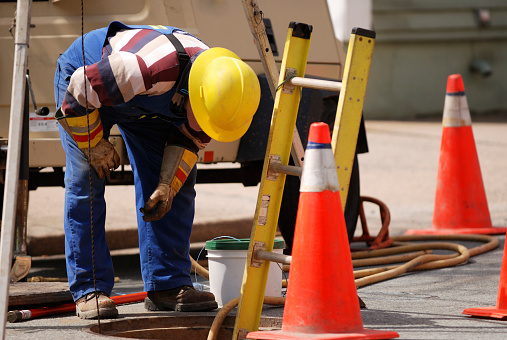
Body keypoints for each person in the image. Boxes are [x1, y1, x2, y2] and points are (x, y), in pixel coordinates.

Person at [53, 21, 260, 319]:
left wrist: (168, 184)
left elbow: (190, 138)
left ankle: (168, 284)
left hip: (147, 100)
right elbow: (78, 94)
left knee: (177, 187)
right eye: (202, 119)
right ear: (195, 95)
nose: (203, 129)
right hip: (86, 81)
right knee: (86, 182)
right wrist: (95, 144)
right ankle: (89, 288)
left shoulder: (219, 91)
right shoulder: (145, 68)